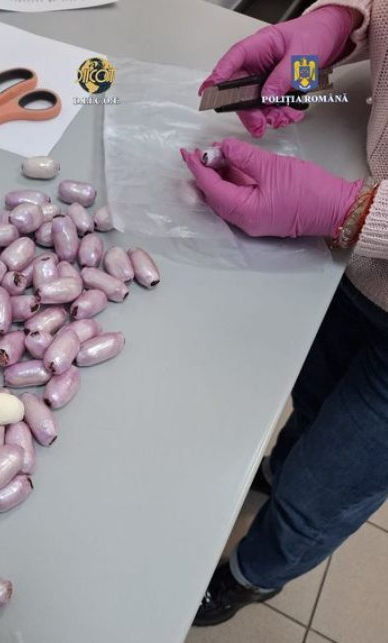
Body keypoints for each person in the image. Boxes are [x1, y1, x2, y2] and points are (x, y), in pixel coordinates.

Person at [181, 0, 388, 628]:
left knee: (321, 494)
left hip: (357, 226)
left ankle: (252, 576)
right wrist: (344, 20)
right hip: (359, 268)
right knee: (314, 399)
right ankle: (277, 468)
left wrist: (356, 213)